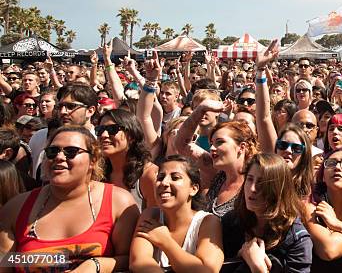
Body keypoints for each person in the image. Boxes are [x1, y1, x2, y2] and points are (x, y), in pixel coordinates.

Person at [0, 125, 139, 272]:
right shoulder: (16, 208)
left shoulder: (118, 203)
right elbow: (6, 262)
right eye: (52, 151)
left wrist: (95, 265)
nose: (59, 157)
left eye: (71, 152)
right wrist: (52, 259)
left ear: (93, 160)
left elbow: (131, 260)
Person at [129, 155, 224, 272]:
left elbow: (207, 270)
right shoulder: (150, 215)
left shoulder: (208, 222)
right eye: (160, 177)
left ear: (193, 189)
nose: (164, 183)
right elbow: (139, 262)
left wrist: (166, 241)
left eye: (175, 178)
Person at [221, 153, 313, 273]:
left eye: (261, 183)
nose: (252, 188)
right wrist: (240, 256)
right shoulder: (231, 221)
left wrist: (258, 268)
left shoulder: (297, 239)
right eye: (249, 179)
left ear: (277, 188)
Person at [97, 109, 158, 211]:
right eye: (100, 129)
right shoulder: (98, 174)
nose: (104, 135)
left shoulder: (148, 174)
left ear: (132, 136)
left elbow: (155, 220)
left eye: (112, 129)